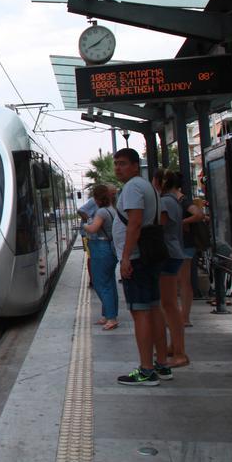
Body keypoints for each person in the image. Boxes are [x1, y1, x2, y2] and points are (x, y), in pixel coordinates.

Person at [112, 148, 168, 386]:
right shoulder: (148, 187)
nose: (118, 168)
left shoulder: (133, 187)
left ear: (136, 165)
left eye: (123, 163)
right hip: (148, 257)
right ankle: (162, 365)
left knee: (140, 312)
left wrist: (125, 258)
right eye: (116, 164)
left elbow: (134, 224)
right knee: (154, 309)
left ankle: (146, 370)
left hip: (137, 259)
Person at [154, 169, 189, 368]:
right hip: (172, 253)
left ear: (161, 182)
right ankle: (173, 346)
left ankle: (180, 353)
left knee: (169, 305)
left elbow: (159, 226)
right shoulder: (172, 200)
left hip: (168, 254)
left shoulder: (166, 202)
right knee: (168, 304)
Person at [83, 184, 118, 330]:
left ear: (97, 199)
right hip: (109, 248)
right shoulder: (112, 210)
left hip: (101, 249)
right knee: (109, 283)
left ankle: (111, 318)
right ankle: (108, 315)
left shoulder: (102, 212)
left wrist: (85, 224)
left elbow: (93, 229)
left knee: (100, 283)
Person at [178, 187, 206, 324]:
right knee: (184, 281)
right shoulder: (181, 200)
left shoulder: (181, 200)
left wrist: (181, 223)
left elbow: (199, 214)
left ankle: (184, 317)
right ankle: (184, 317)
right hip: (186, 244)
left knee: (180, 281)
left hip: (181, 244)